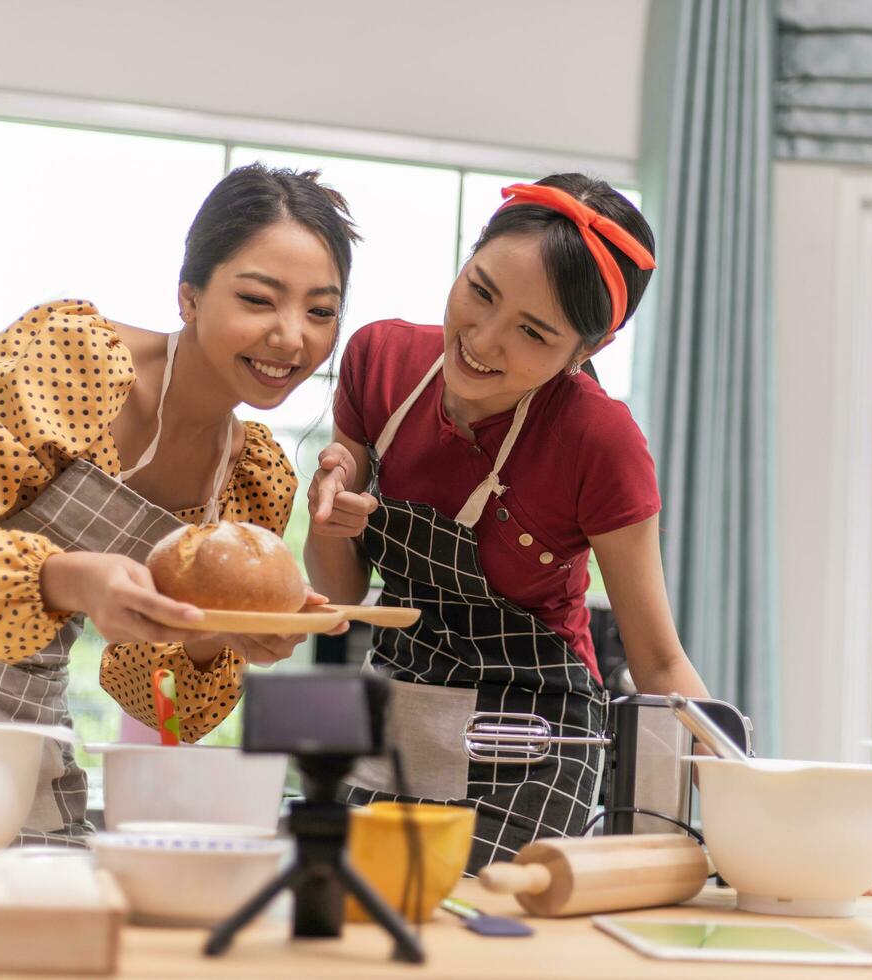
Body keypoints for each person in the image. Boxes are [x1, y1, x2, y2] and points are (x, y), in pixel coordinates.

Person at [0, 164, 355, 844]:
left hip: (22, 711)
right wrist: (72, 577)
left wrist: (214, 634)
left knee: (35, 919)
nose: (292, 337)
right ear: (189, 297)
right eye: (259, 300)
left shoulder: (250, 479)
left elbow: (161, 704)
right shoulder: (71, 359)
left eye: (320, 311)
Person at [304, 174, 711, 868]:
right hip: (398, 706)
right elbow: (342, 598)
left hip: (532, 736)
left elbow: (660, 660)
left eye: (533, 331)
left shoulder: (599, 440)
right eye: (481, 291)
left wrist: (772, 811)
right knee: (359, 917)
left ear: (587, 350)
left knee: (482, 928)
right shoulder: (380, 362)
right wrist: (329, 513)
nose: (483, 341)